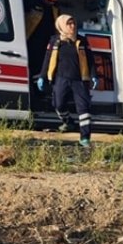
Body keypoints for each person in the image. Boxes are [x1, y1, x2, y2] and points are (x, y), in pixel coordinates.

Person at [37, 15, 96, 147]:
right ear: (61, 25)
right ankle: (68, 121)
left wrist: (93, 75)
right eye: (69, 24)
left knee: (84, 108)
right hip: (61, 78)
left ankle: (85, 138)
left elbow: (90, 60)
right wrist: (42, 76)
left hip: (80, 79)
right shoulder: (55, 41)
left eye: (73, 23)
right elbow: (47, 59)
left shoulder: (82, 40)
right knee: (58, 104)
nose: (72, 26)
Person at [24, 0, 60, 100]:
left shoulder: (55, 9)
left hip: (47, 45)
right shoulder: (30, 2)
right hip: (30, 42)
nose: (51, 2)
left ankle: (39, 97)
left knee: (41, 71)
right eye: (49, 0)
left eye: (53, 1)